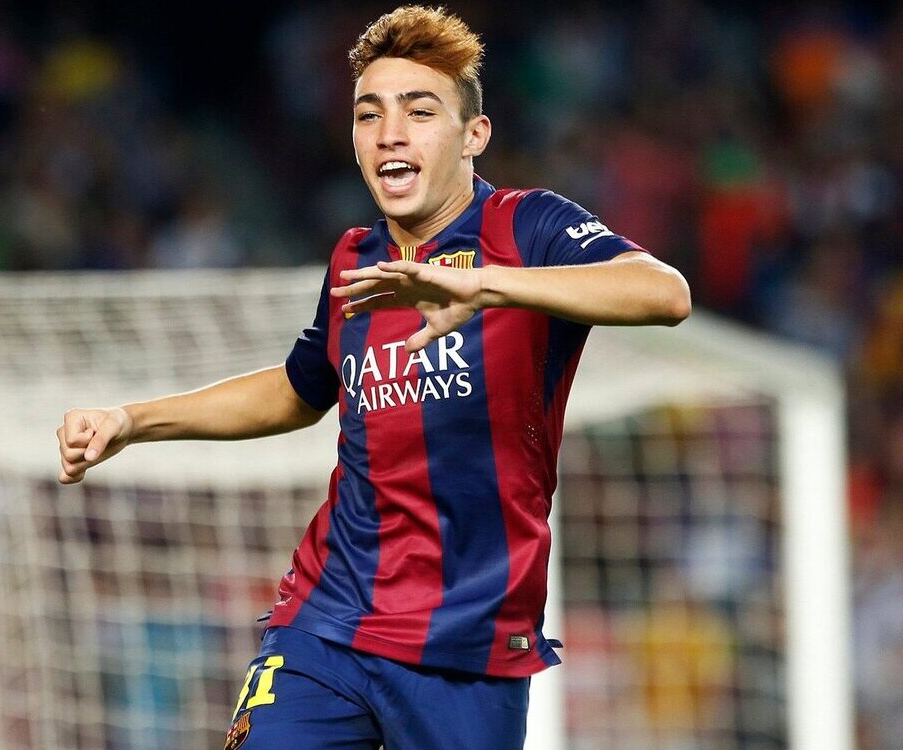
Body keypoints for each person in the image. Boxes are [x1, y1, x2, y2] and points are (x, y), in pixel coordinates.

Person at [57, 6, 691, 749]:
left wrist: (487, 286)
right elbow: (298, 390)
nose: (390, 132)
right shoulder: (354, 260)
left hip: (468, 644)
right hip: (329, 617)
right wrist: (133, 421)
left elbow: (664, 293)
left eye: (419, 111)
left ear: (474, 135)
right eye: (369, 114)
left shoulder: (527, 229)